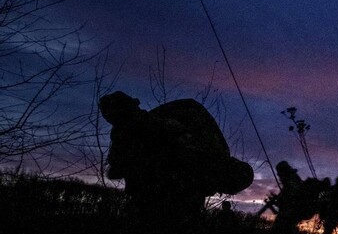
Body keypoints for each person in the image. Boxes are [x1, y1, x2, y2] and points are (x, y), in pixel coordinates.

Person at [99, 91, 254, 223]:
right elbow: (116, 170)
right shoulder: (205, 155)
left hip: (158, 207)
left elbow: (116, 171)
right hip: (154, 206)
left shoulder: (205, 170)